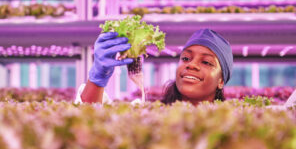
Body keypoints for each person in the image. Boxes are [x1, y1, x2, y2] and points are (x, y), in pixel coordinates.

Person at [76, 28, 233, 105]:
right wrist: (97, 79)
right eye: (185, 58)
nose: (191, 65)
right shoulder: (144, 115)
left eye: (206, 62)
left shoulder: (234, 127)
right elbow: (92, 126)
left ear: (221, 80)